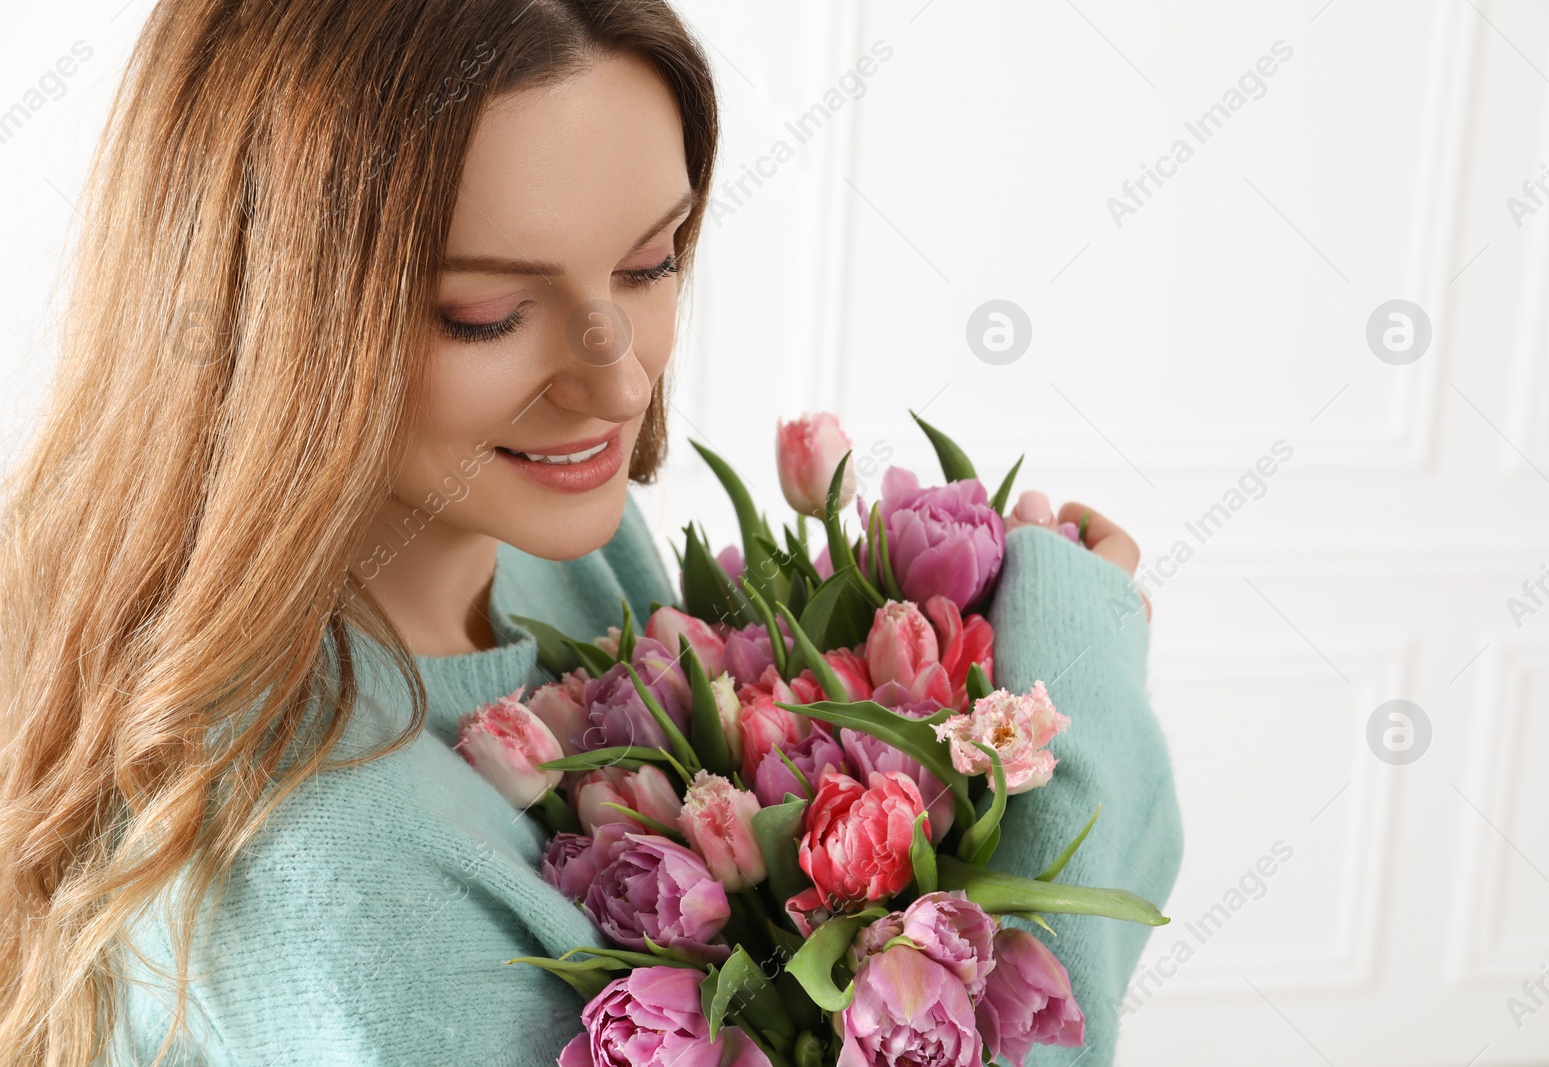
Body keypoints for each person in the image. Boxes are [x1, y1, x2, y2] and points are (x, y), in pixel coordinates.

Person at [0, 1, 1180, 1064]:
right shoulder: (334, 870)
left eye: (650, 261)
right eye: (488, 314)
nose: (617, 384)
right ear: (268, 314)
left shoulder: (552, 558)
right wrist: (1078, 687)